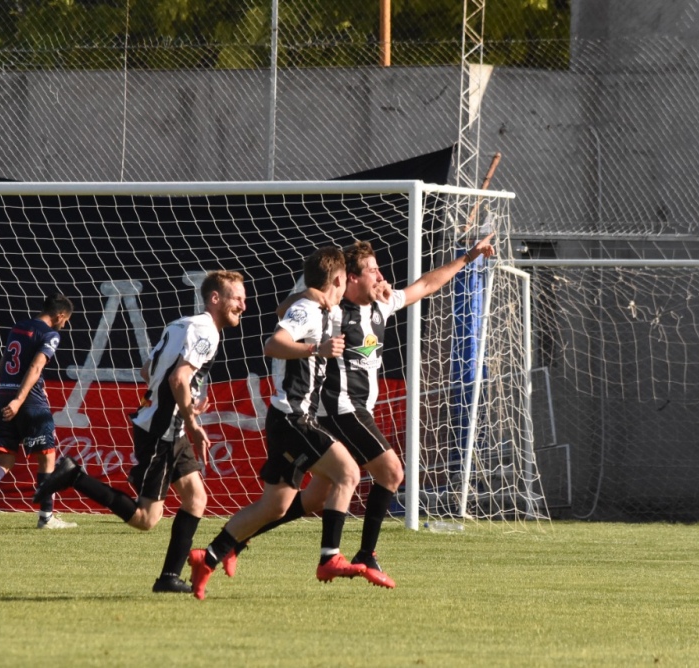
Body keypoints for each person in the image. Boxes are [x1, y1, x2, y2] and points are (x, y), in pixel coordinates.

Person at [228, 234, 496, 588]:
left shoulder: (381, 305)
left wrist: (468, 258)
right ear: (349, 279)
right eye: (372, 270)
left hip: (354, 410)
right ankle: (364, 554)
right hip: (341, 409)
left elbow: (426, 284)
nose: (380, 276)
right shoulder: (335, 310)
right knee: (392, 472)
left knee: (313, 499)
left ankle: (238, 538)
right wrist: (315, 294)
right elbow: (285, 311)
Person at [32, 271, 246, 594]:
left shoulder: (180, 325)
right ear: (215, 299)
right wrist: (191, 419)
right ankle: (74, 475)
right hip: (163, 431)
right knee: (147, 518)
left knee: (196, 498)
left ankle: (168, 578)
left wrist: (182, 403)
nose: (243, 305)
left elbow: (149, 370)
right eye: (237, 298)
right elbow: (177, 379)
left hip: (167, 424)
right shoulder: (208, 333)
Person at [187, 246, 365, 600]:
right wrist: (317, 350)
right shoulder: (308, 310)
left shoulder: (317, 306)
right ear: (338, 279)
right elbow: (274, 343)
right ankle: (330, 557)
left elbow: (286, 309)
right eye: (345, 282)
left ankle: (208, 557)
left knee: (276, 506)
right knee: (349, 474)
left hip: (290, 418)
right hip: (293, 417)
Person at [0, 293, 76, 532]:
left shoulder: (18, 328)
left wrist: (13, 395)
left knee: (4, 459)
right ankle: (46, 517)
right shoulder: (50, 334)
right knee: (47, 456)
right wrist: (20, 399)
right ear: (59, 316)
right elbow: (36, 366)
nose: (64, 325)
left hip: (3, 394)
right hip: (28, 402)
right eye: (65, 320)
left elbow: (3, 363)